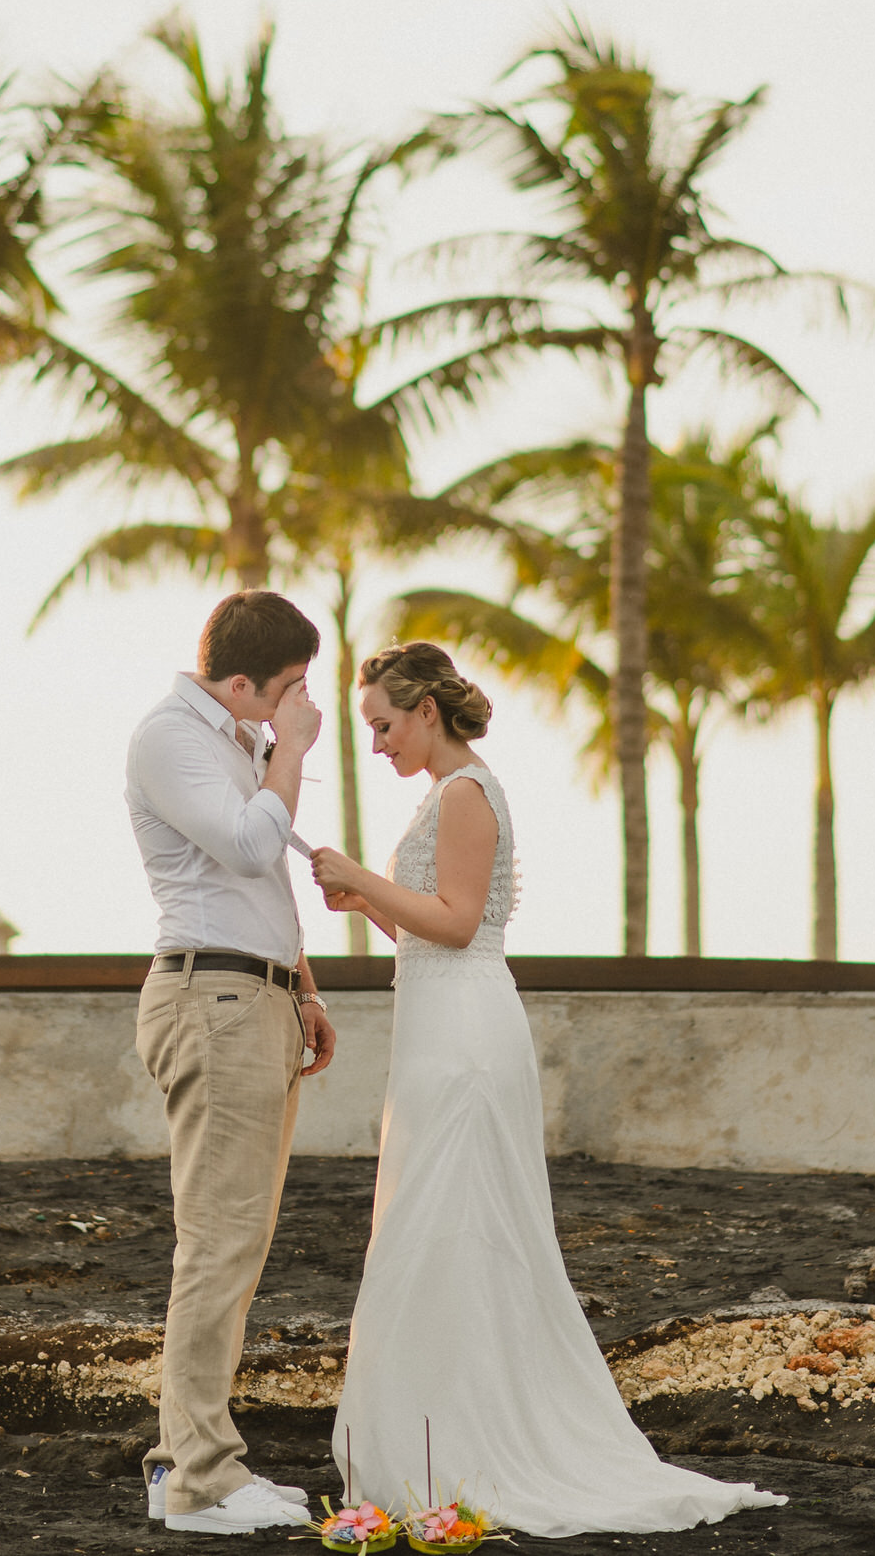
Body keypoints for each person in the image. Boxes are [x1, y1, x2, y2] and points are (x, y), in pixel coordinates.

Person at [310, 641, 785, 1536]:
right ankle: (435, 1429)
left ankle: (471, 1438)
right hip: (436, 1026)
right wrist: (368, 905)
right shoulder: (443, 795)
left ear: (424, 711)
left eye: (381, 724)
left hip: (464, 1038)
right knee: (434, 1221)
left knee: (460, 1224)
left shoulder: (466, 794)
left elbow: (455, 927)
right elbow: (437, 922)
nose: (375, 742)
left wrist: (362, 876)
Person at [127, 590, 336, 1535]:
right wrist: (290, 749)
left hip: (254, 998)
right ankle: (201, 1481)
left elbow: (264, 887)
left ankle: (191, 1461)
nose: (306, 705)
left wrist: (304, 988)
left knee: (235, 1243)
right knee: (217, 1242)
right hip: (210, 1001)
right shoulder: (172, 737)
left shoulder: (236, 741)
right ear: (244, 680)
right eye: (293, 687)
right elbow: (252, 848)